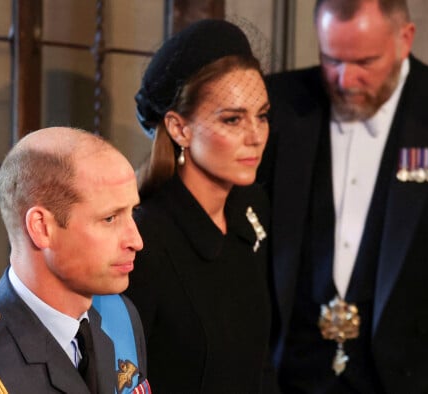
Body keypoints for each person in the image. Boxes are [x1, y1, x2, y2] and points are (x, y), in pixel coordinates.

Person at [258, 0, 428, 393]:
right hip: (292, 376)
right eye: (331, 60)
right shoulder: (276, 104)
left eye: (364, 62)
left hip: (416, 381)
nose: (345, 79)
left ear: (404, 39)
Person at [0, 127, 149, 393]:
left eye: (132, 212)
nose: (136, 241)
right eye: (110, 218)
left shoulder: (119, 316)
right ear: (42, 227)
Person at [124, 19, 277, 393]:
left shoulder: (250, 209)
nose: (255, 136)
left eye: (262, 115)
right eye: (232, 119)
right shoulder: (144, 240)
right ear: (179, 129)